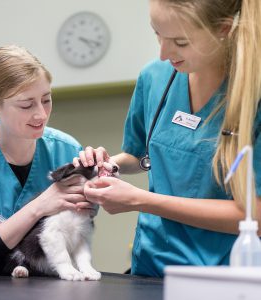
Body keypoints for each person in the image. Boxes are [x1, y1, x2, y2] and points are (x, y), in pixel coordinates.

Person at [74, 0, 261, 277]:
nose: (163, 53)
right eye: (157, 34)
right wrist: (106, 164)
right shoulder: (155, 78)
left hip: (226, 276)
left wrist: (142, 200)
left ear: (223, 29)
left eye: (180, 42)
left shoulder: (252, 97)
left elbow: (255, 215)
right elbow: (139, 155)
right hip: (150, 267)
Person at [0, 45, 94, 275]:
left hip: (46, 283)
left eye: (46, 100)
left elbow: (78, 226)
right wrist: (41, 206)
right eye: (26, 104)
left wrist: (98, 184)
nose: (41, 114)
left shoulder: (67, 149)